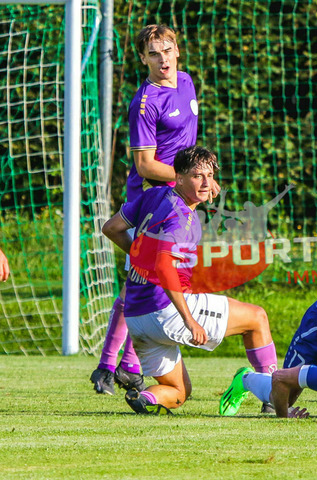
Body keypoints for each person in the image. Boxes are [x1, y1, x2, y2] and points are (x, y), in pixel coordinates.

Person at [90, 24, 220, 395]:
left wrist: (199, 179)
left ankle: (118, 368)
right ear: (143, 59)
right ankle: (112, 367)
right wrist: (192, 180)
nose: (162, 59)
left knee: (145, 279)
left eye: (167, 50)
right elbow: (145, 164)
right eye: (153, 53)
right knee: (146, 279)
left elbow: (185, 144)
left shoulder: (186, 82)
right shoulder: (144, 103)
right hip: (153, 197)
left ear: (177, 51)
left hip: (180, 196)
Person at [102, 146, 278, 415]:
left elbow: (111, 228)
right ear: (179, 178)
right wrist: (189, 320)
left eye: (210, 176)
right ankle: (274, 396)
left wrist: (141, 258)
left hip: (137, 317)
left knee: (179, 391)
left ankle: (145, 398)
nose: (206, 183)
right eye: (198, 176)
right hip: (165, 311)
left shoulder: (154, 195)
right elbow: (164, 267)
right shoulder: (182, 218)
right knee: (256, 318)